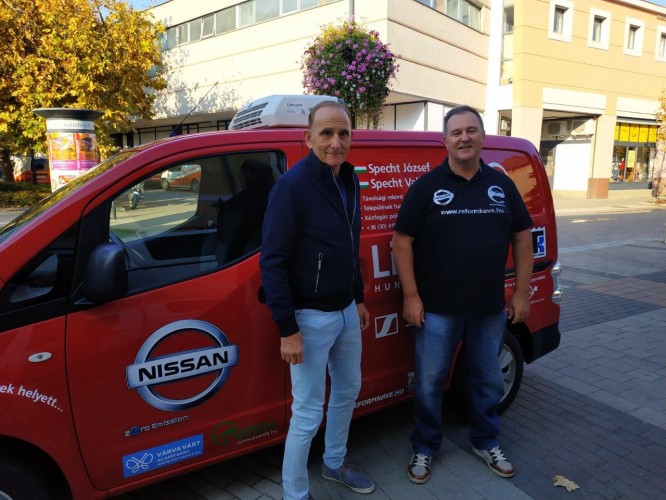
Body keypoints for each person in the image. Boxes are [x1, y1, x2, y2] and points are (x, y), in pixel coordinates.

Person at [392, 105, 534, 484]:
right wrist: (411, 296)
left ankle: (486, 441)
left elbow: (523, 238)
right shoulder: (426, 187)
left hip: (488, 308)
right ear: (445, 141)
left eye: (471, 130)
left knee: (487, 380)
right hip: (436, 310)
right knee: (429, 383)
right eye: (456, 132)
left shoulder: (502, 185)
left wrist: (521, 292)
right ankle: (425, 446)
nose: (464, 137)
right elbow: (401, 241)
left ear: (483, 137)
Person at [260, 101, 375, 500]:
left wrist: (357, 298)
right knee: (307, 412)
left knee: (347, 390)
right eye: (326, 133)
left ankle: (334, 463)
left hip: (345, 312)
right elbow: (272, 262)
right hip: (308, 318)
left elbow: (349, 245)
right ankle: (294, 494)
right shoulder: (291, 188)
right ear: (308, 138)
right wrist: (287, 329)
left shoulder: (349, 180)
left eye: (343, 133)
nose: (335, 142)